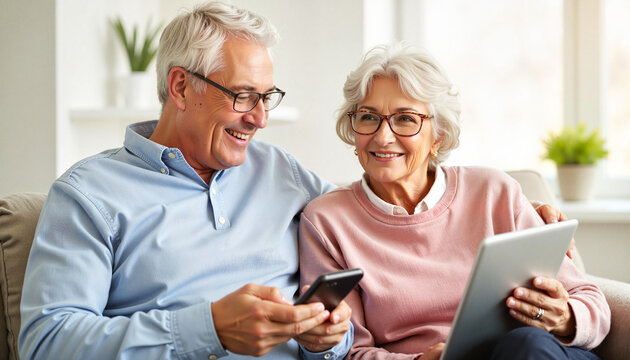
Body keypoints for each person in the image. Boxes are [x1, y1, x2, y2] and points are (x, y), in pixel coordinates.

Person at [18, 2, 353, 359]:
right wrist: (207, 330)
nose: (260, 119)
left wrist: (329, 337)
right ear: (180, 87)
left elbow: (366, 219)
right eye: (243, 96)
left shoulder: (281, 170)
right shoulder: (89, 194)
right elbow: (46, 342)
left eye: (266, 97)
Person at [298, 43, 611, 360]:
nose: (382, 136)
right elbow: (347, 351)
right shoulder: (327, 220)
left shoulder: (494, 191)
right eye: (368, 117)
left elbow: (591, 302)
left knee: (525, 345)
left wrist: (566, 318)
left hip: (529, 352)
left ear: (439, 137)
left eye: (406, 119)